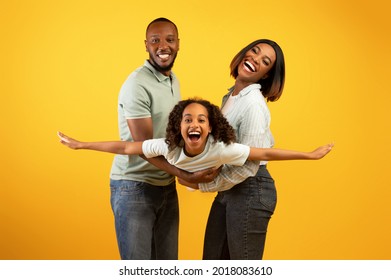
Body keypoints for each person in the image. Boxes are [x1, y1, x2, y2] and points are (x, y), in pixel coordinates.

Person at [179, 39, 316, 260]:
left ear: (266, 75)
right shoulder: (231, 96)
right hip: (231, 188)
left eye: (265, 61)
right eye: (254, 51)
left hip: (251, 188)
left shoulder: (252, 104)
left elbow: (248, 165)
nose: (255, 58)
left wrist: (205, 184)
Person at [105, 18, 216, 260]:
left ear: (178, 44)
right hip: (134, 188)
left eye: (169, 39)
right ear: (146, 45)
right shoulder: (137, 85)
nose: (162, 46)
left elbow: (172, 137)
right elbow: (146, 147)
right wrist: (185, 175)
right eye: (155, 40)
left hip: (166, 185)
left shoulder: (172, 79)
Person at [58, 98, 332, 178]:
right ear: (179, 127)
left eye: (201, 120)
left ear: (210, 128)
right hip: (185, 180)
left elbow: (265, 154)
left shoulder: (222, 149)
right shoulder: (167, 146)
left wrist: (309, 154)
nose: (194, 124)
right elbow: (126, 146)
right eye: (188, 119)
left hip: (213, 180)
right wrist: (81, 144)